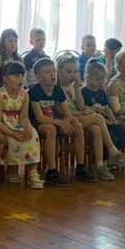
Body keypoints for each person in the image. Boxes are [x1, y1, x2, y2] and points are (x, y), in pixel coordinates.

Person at [57, 56, 125, 180]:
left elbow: (81, 106)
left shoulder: (74, 87)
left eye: (75, 71)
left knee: (96, 129)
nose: (73, 75)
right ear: (59, 72)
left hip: (78, 117)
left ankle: (99, 166)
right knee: (98, 118)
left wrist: (76, 88)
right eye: (69, 72)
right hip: (67, 120)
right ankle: (113, 151)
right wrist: (82, 113)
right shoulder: (57, 88)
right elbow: (62, 112)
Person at [29, 58, 83, 186]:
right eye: (47, 72)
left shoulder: (58, 90)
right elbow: (39, 118)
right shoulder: (34, 91)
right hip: (37, 125)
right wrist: (59, 123)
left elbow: (67, 114)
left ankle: (80, 167)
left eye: (53, 71)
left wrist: (72, 119)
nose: (52, 74)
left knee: (77, 125)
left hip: (53, 121)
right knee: (50, 128)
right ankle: (52, 171)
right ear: (38, 77)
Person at [0, 62, 43, 188]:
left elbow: (24, 116)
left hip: (18, 123)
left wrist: (27, 128)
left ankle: (32, 172)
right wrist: (12, 133)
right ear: (5, 78)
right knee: (11, 140)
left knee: (33, 135)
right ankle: (12, 169)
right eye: (16, 76)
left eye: (22, 75)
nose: (20, 79)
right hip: (4, 125)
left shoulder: (24, 95)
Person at [80, 62, 125, 179]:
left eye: (102, 79)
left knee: (122, 133)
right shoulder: (83, 92)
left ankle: (111, 158)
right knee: (111, 136)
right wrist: (105, 120)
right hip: (95, 122)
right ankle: (105, 160)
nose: (100, 82)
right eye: (97, 79)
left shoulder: (101, 92)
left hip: (105, 121)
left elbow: (107, 108)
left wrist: (113, 119)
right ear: (88, 77)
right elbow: (85, 109)